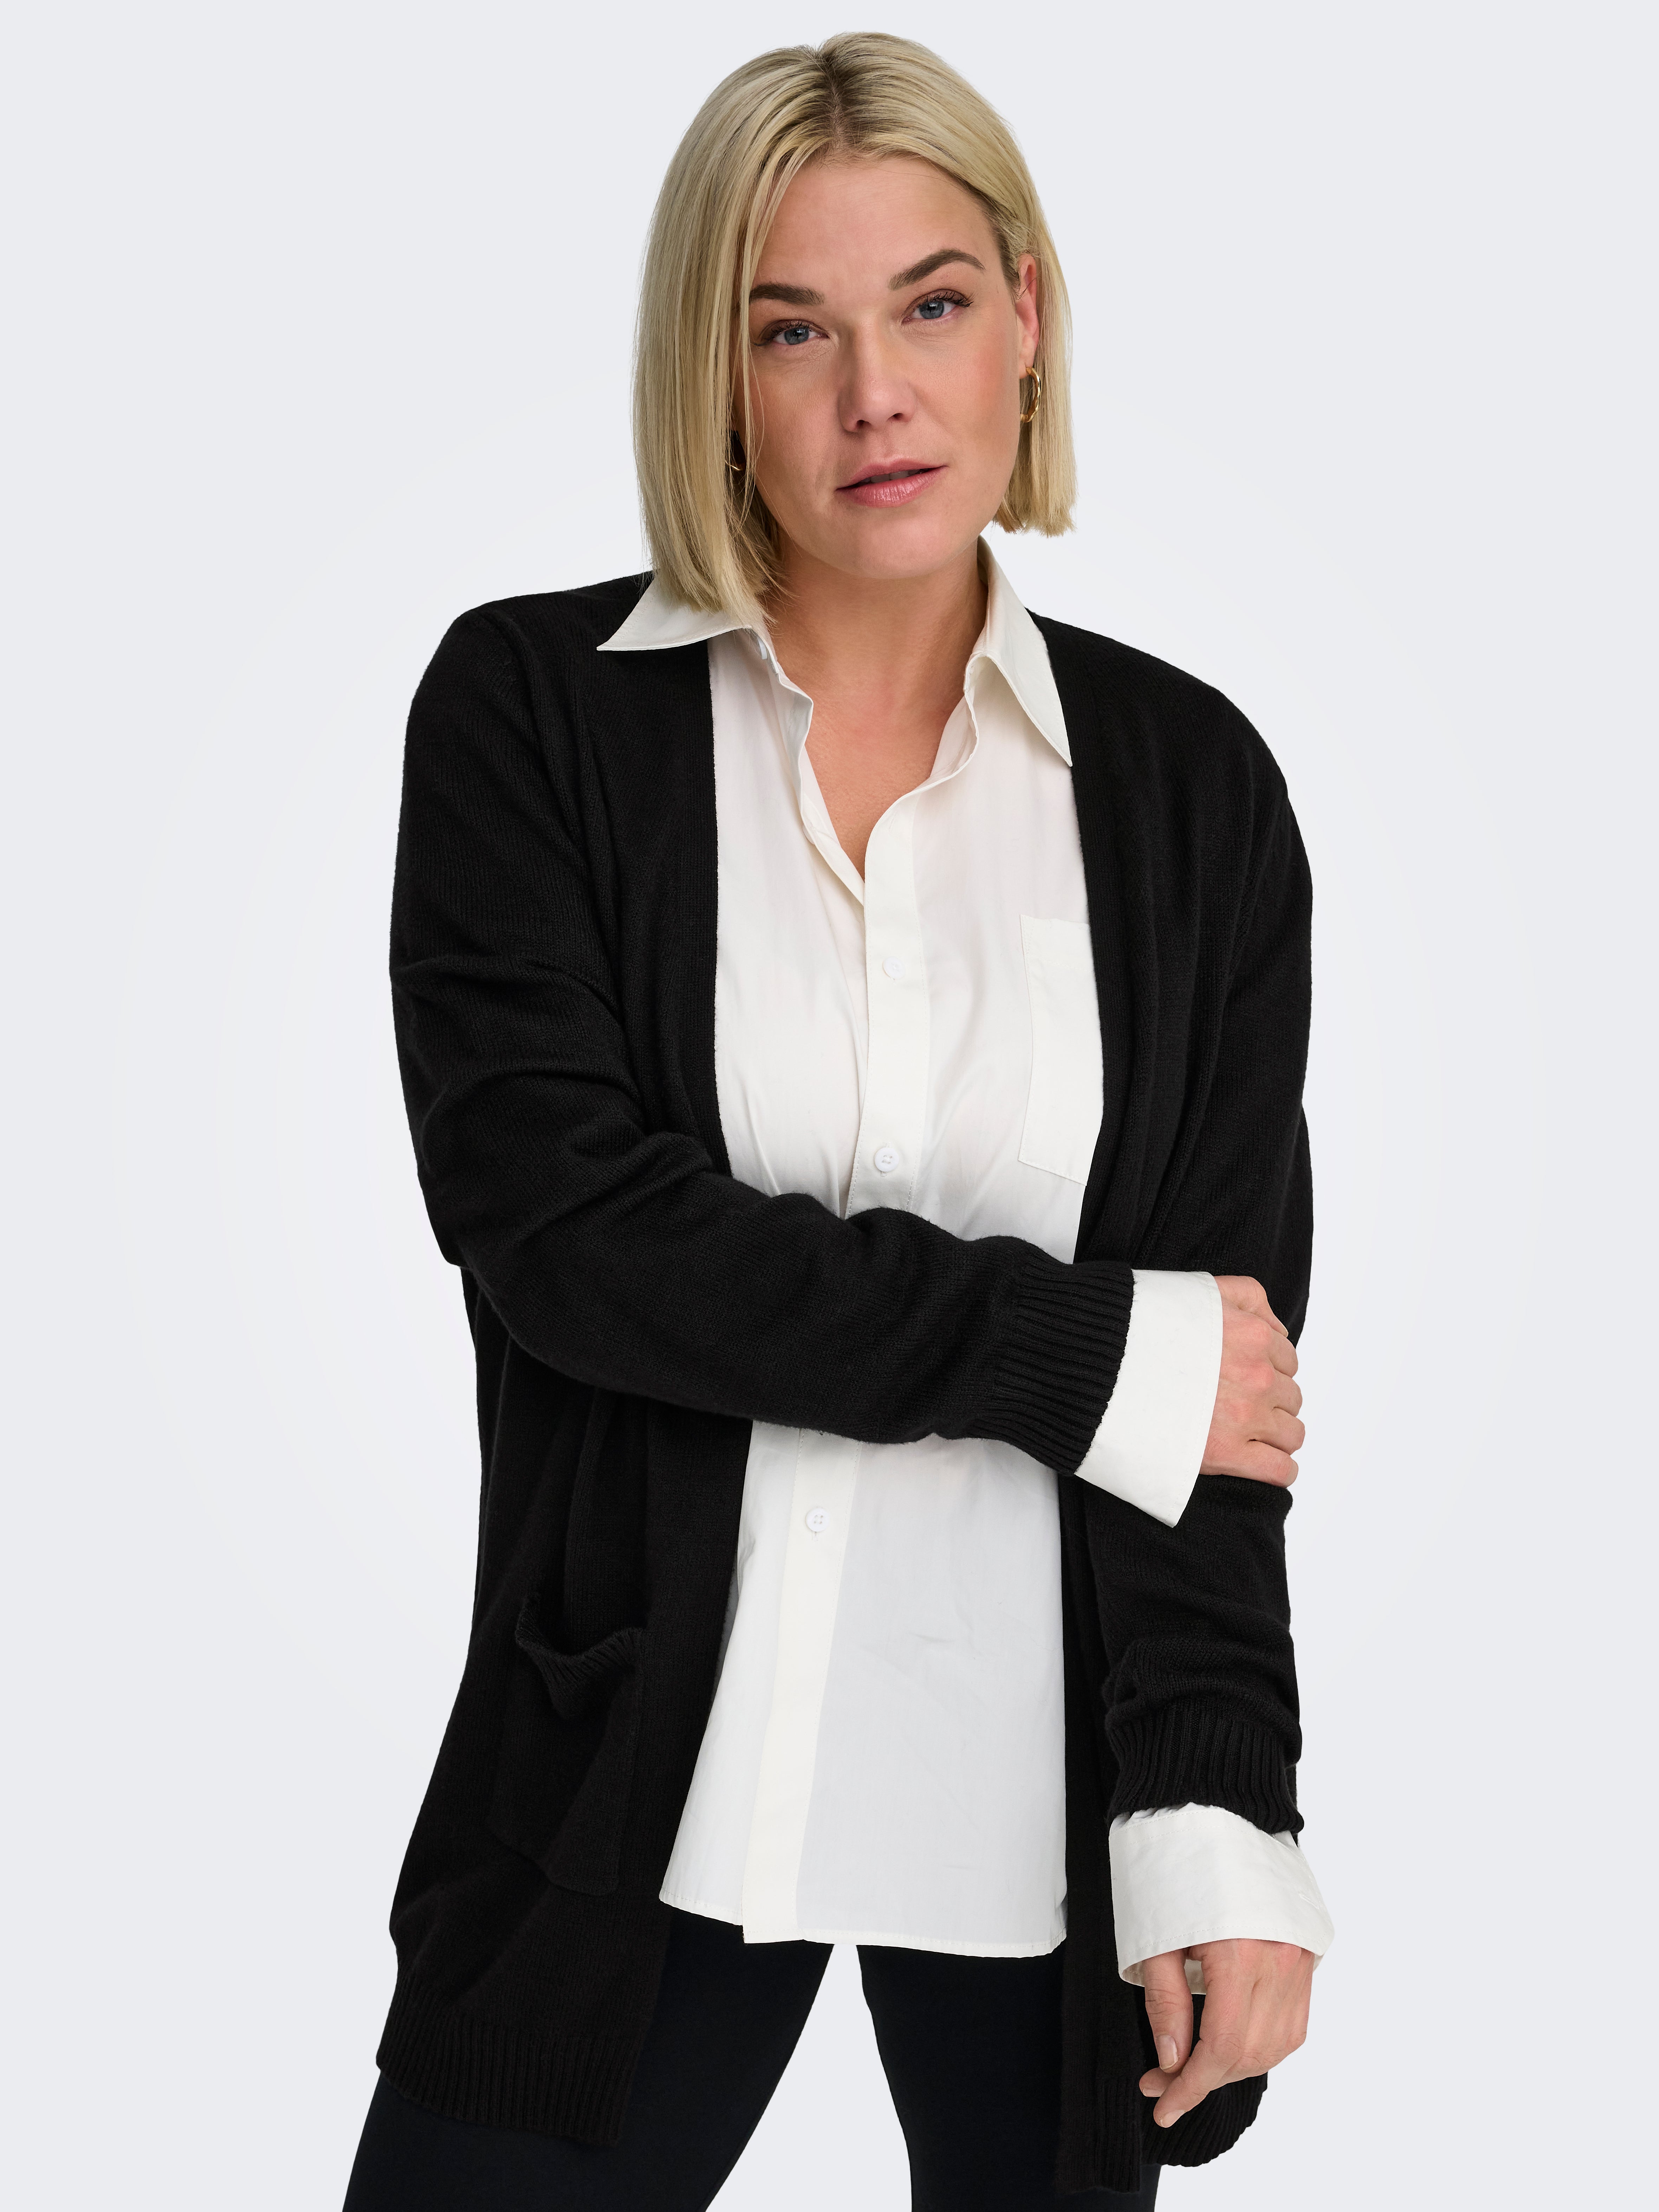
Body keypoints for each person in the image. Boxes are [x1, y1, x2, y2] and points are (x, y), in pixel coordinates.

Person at [342, 32, 1333, 2212]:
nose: (873, 392)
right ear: (711, 374)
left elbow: (1225, 1392)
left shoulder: (1188, 790)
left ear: (1026, 318)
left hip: (1046, 1820)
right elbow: (570, 1237)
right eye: (790, 327)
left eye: (930, 304)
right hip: (639, 1794)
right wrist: (1084, 1349)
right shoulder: (533, 718)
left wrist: (1216, 1812)